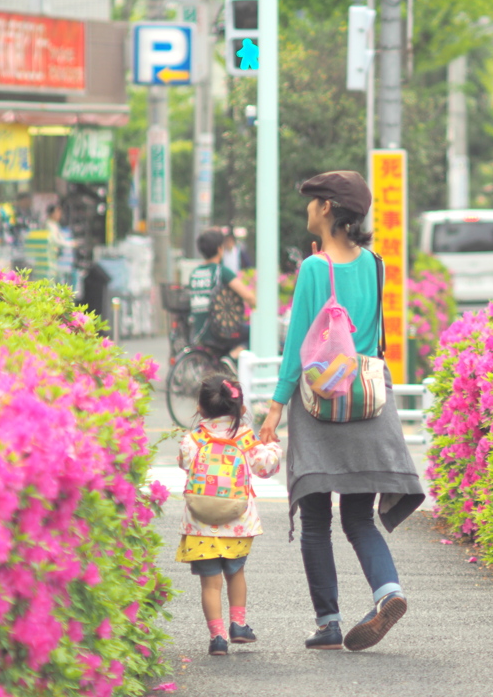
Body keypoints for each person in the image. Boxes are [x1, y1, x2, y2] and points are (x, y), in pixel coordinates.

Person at [258, 170, 425, 652]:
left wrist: (273, 409)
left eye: (312, 202)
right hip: (367, 402)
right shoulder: (376, 263)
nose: (307, 210)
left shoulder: (314, 269)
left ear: (328, 208)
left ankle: (328, 623)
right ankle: (388, 590)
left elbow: (297, 348)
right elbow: (370, 338)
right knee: (358, 518)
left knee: (315, 519)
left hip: (319, 404)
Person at [176, 374, 283, 656]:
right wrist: (273, 447)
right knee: (236, 573)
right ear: (240, 409)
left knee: (210, 584)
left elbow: (184, 462)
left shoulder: (194, 438)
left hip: (200, 523)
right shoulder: (244, 437)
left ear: (200, 408)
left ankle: (218, 637)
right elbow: (266, 467)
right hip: (237, 522)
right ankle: (239, 625)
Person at [188, 228, 257, 365]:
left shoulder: (195, 273)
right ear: (220, 249)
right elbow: (248, 297)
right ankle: (231, 358)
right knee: (256, 333)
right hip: (219, 331)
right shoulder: (221, 272)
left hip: (199, 330)